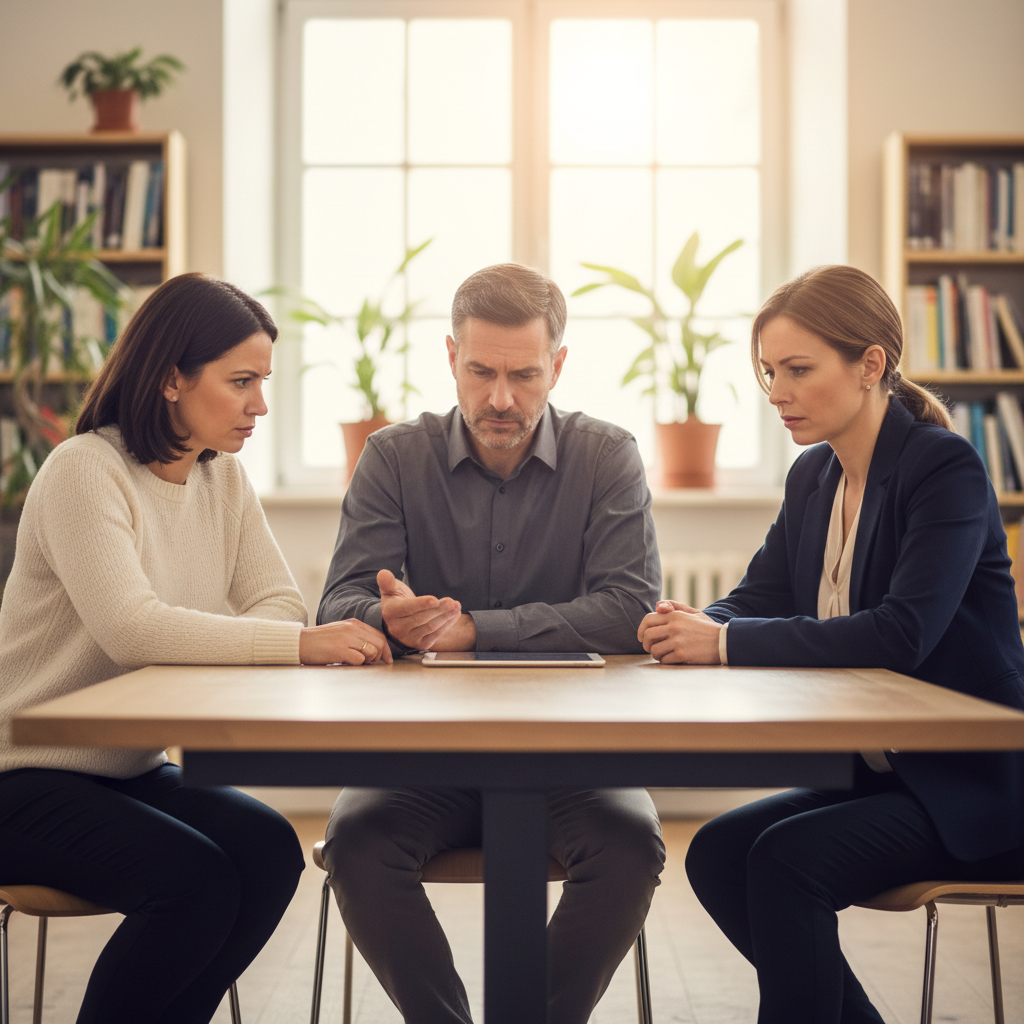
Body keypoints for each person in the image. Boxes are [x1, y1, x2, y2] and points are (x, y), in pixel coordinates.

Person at [637, 264, 1024, 1024]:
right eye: (770, 371)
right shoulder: (814, 475)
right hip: (885, 776)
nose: (776, 391)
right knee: (718, 853)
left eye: (798, 370)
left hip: (974, 787)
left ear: (870, 364)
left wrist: (720, 645)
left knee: (786, 865)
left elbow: (901, 634)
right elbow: (755, 599)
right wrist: (687, 624)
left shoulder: (943, 469)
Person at [0, 273, 390, 1024]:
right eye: (241, 381)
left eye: (263, 382)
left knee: (270, 852)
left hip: (129, 767)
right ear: (172, 378)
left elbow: (277, 602)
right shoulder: (86, 469)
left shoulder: (223, 479)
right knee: (197, 883)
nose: (260, 406)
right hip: (22, 775)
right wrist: (298, 645)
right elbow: (133, 628)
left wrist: (278, 636)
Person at [318, 262, 665, 1024]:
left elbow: (630, 607)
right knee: (354, 843)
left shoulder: (607, 456)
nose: (500, 398)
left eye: (523, 375)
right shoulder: (393, 457)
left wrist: (475, 631)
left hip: (573, 755)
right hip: (424, 757)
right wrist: (387, 622)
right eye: (480, 372)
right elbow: (339, 600)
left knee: (632, 847)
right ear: (450, 359)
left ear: (559, 367)